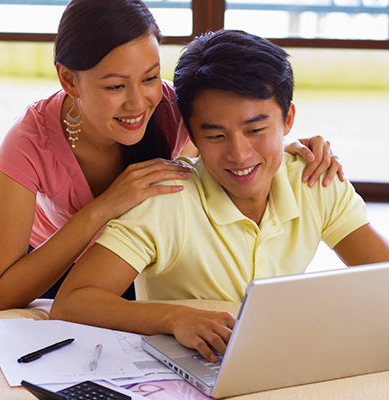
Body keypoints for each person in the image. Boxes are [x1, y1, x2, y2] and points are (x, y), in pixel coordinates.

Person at [50, 29, 389, 363]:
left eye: (255, 130)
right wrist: (174, 318)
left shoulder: (315, 178)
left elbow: (382, 276)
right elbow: (72, 302)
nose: (239, 155)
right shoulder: (165, 200)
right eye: (215, 136)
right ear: (192, 134)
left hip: (278, 358)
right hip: (190, 369)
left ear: (287, 120)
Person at [0, 0, 341, 311]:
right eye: (115, 86)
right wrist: (104, 207)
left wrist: (289, 147)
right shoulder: (28, 141)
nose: (138, 102)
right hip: (53, 269)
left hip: (139, 264)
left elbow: (236, 134)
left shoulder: (172, 109)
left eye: (150, 77)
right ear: (68, 80)